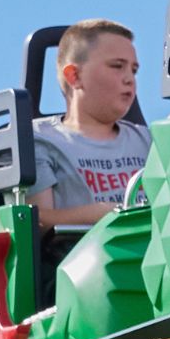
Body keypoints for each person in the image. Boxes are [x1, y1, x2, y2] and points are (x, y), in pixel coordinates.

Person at [28, 19, 152, 226]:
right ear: (74, 76)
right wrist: (105, 214)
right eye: (117, 66)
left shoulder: (149, 140)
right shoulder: (39, 140)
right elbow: (37, 222)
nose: (129, 79)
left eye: (134, 70)